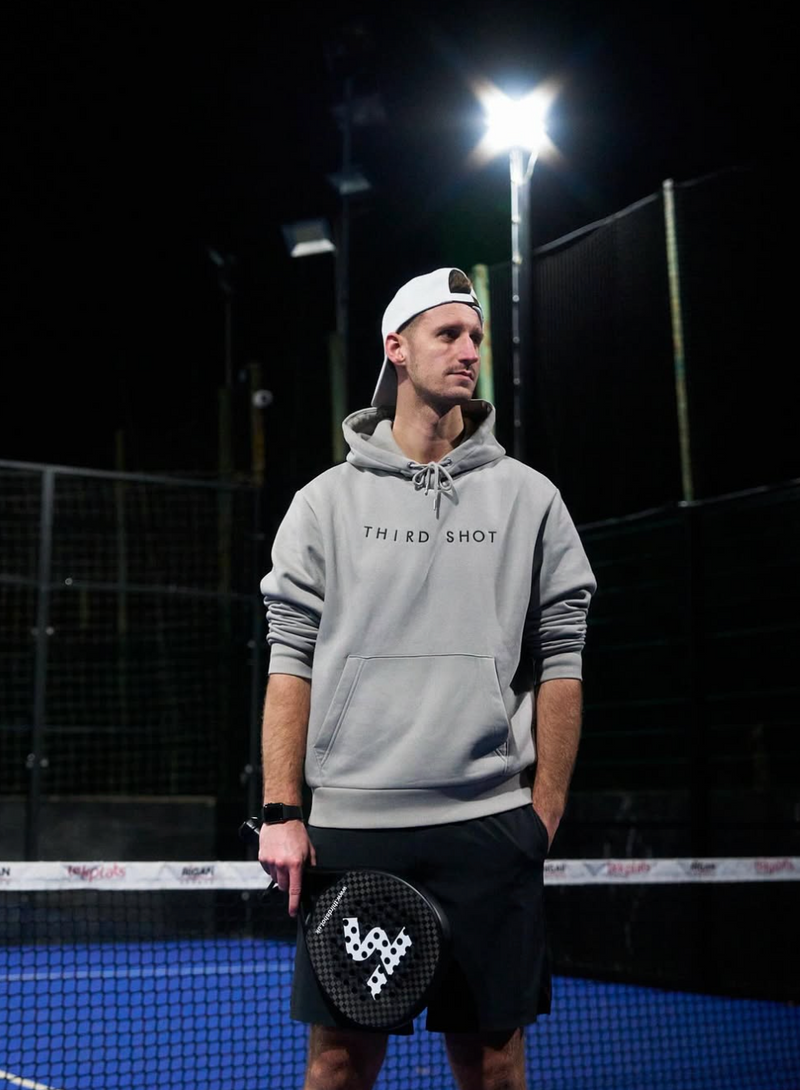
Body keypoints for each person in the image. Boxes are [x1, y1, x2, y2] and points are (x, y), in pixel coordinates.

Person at [258, 267, 596, 1090]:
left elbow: (562, 656)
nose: (469, 351)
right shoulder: (323, 503)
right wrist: (281, 811)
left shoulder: (532, 500)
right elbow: (288, 662)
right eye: (449, 334)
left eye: (476, 336)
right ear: (396, 349)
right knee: (339, 1064)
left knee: (494, 1062)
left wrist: (542, 809)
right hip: (356, 829)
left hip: (489, 826)